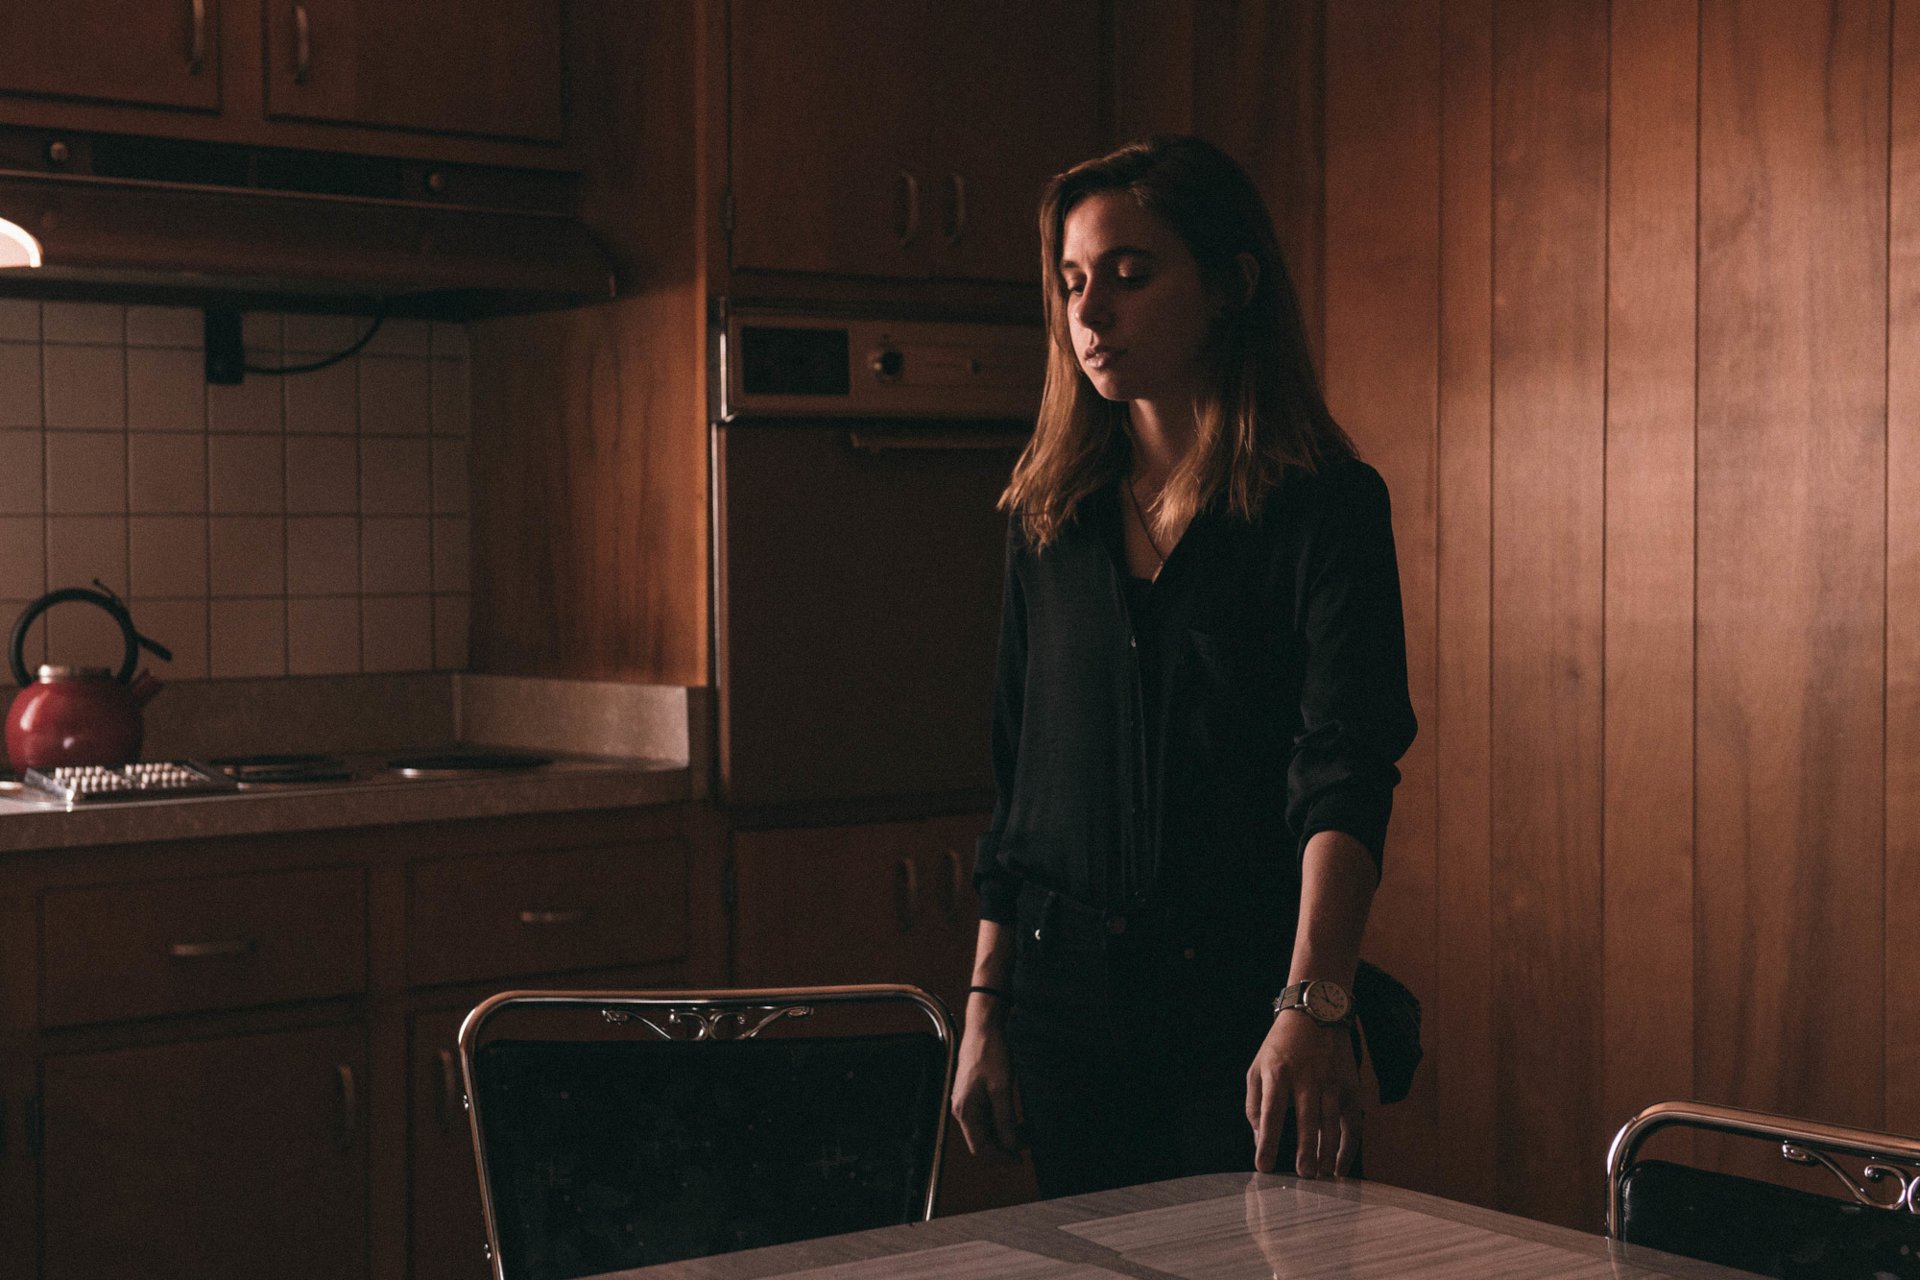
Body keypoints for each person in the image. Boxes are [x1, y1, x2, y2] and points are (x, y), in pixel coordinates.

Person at [949, 135, 1417, 1198]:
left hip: (1245, 1013)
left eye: (1130, 274)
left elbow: (1346, 769)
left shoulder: (1325, 509)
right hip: (1063, 1017)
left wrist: (1314, 1004)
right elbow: (1020, 783)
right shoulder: (1050, 519)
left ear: (1230, 286)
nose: (1091, 313)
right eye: (1074, 282)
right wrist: (985, 1009)